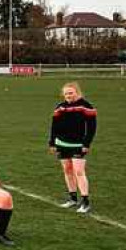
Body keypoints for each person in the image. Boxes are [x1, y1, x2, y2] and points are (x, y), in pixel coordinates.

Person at [49, 81, 97, 213]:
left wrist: (86, 144)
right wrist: (52, 142)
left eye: (71, 93)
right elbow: (54, 126)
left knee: (79, 172)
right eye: (66, 93)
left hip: (78, 145)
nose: (68, 95)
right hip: (62, 144)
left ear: (77, 92)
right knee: (67, 170)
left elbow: (92, 128)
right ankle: (72, 199)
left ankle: (85, 202)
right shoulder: (60, 107)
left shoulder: (86, 106)